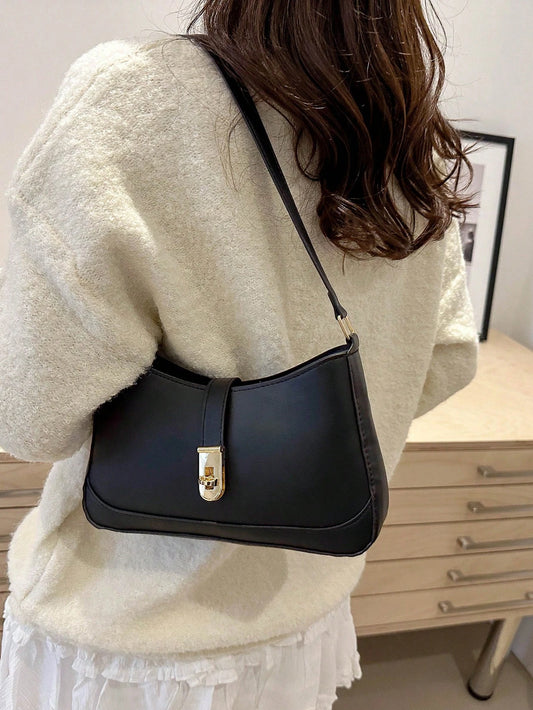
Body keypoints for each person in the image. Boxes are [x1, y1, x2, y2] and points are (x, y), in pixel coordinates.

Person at [0, 2, 479, 708]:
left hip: (130, 632)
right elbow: (447, 357)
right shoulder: (412, 136)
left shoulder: (130, 99)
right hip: (304, 609)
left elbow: (29, 418)